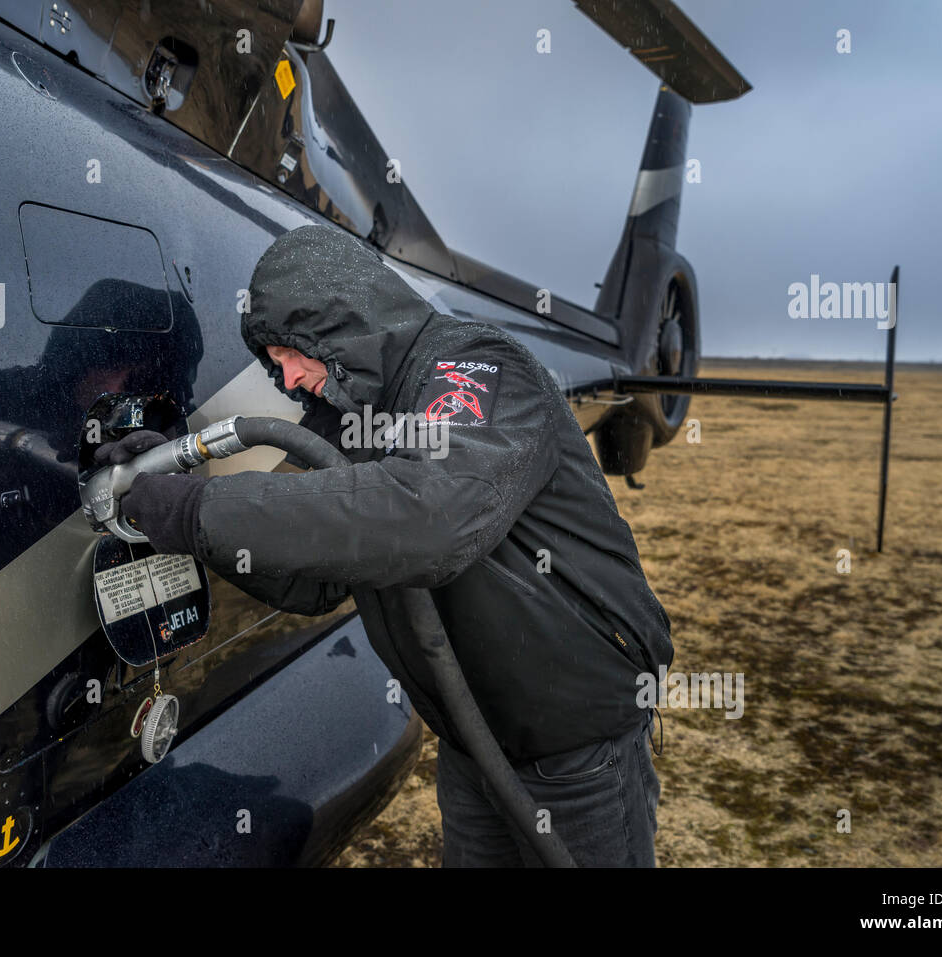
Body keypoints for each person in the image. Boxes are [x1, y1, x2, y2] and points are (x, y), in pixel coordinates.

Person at [96, 223, 673, 867]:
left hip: (576, 746)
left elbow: (431, 514)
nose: (284, 379)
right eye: (272, 361)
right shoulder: (351, 420)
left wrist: (200, 509)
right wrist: (182, 493)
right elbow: (309, 581)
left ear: (341, 323)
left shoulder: (477, 365)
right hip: (473, 742)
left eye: (289, 351)